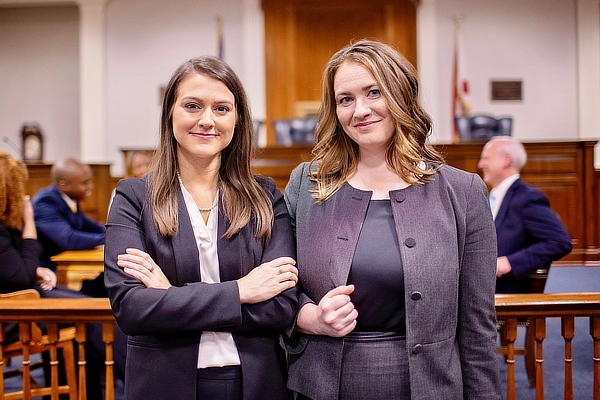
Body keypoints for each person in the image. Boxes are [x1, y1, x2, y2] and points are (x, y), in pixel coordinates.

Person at [283, 39, 501, 400]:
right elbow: (279, 284)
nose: (360, 110)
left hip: (430, 386)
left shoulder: (463, 192)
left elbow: (478, 327)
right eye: (345, 99)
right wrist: (310, 317)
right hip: (322, 385)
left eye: (374, 92)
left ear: (401, 95)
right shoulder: (305, 185)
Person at [104, 55, 299, 400]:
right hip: (163, 383)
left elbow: (281, 307)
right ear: (170, 113)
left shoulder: (267, 197)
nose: (207, 120)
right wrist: (241, 290)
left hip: (256, 382)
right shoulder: (133, 197)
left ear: (238, 119)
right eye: (193, 106)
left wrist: (169, 296)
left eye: (221, 109)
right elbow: (132, 308)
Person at [0, 151, 125, 400]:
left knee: (99, 307)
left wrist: (33, 270)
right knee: (95, 315)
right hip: (13, 313)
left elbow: (12, 268)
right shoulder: (35, 210)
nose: (24, 195)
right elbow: (20, 278)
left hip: (26, 298)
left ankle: (91, 391)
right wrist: (29, 223)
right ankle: (130, 380)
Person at [477, 136, 572, 293]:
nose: (481, 164)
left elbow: (559, 242)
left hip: (503, 292)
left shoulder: (528, 198)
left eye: (485, 158)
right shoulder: (491, 196)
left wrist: (509, 263)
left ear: (506, 160)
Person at [32, 158, 107, 297]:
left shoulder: (69, 198)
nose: (91, 187)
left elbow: (88, 225)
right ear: (64, 185)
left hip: (65, 263)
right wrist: (108, 238)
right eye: (85, 183)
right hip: (49, 271)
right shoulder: (45, 202)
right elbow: (68, 239)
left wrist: (115, 231)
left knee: (106, 281)